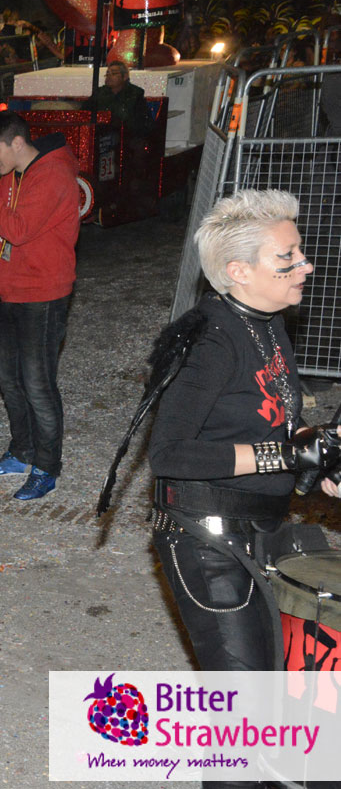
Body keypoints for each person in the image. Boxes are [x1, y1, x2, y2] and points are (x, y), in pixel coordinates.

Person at [135, 192, 341, 783]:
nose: (307, 265)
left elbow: (270, 420)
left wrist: (316, 458)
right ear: (239, 272)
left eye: (300, 251)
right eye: (289, 257)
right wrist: (283, 452)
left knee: (273, 699)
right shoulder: (208, 341)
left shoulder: (268, 322)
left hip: (261, 526)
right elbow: (168, 454)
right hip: (206, 542)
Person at [0, 110, 80, 501]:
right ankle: (22, 452)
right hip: (11, 289)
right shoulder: (10, 173)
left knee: (38, 384)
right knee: (6, 376)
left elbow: (18, 231)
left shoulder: (53, 175)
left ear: (17, 143)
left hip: (43, 293)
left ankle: (47, 467)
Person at [84, 60, 152, 137]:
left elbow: (139, 123)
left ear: (125, 76)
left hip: (126, 136)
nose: (109, 76)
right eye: (107, 74)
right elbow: (85, 112)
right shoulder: (99, 93)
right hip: (101, 134)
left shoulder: (135, 94)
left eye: (113, 73)